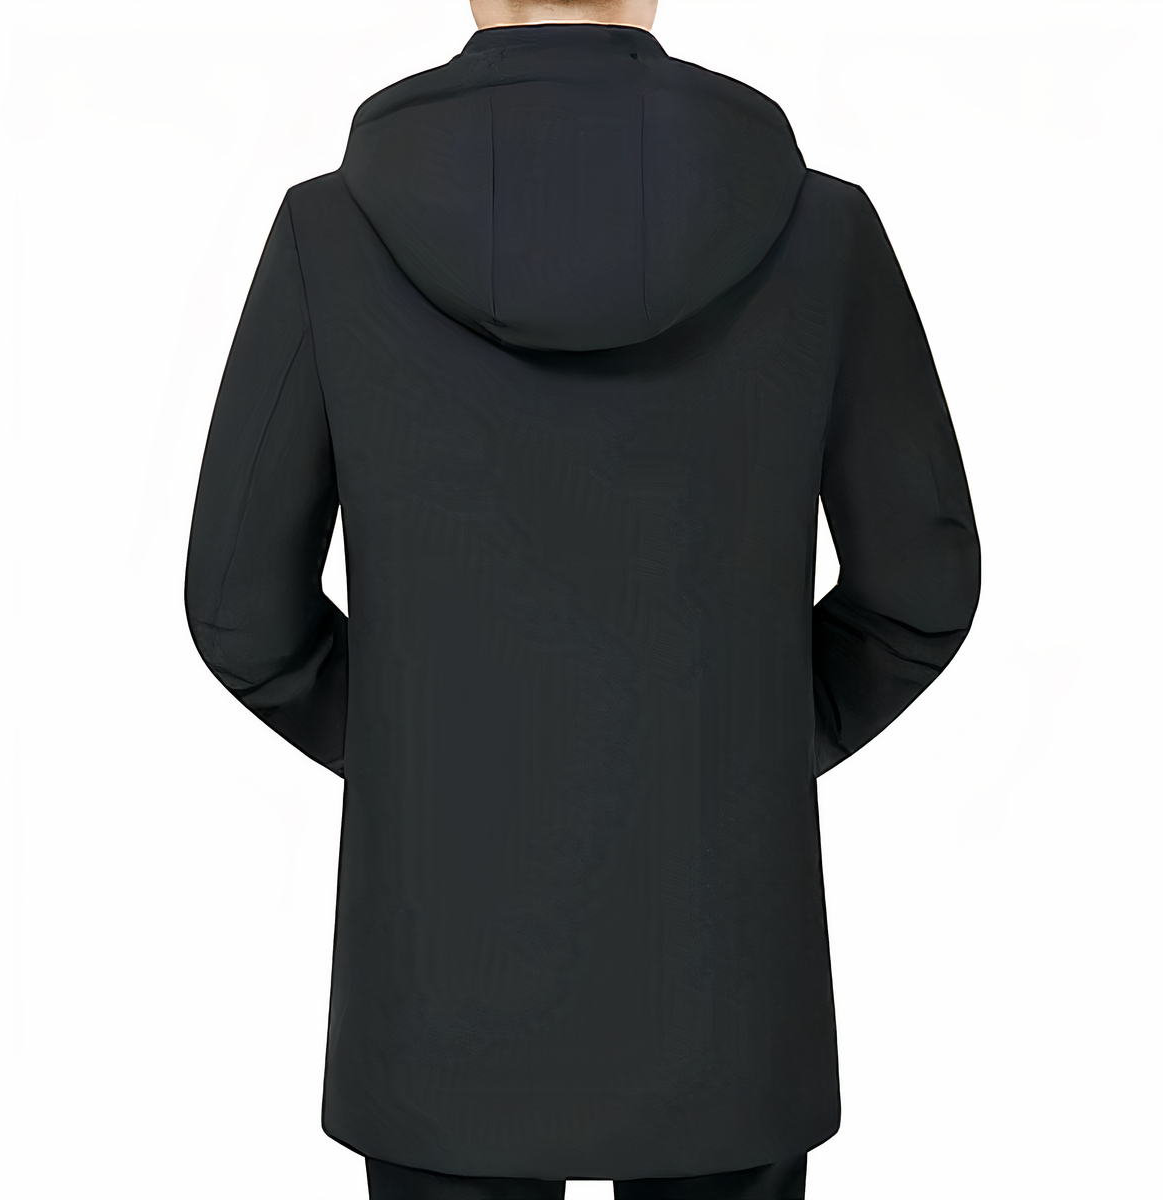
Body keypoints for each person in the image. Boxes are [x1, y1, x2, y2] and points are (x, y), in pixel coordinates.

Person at [183, 1, 981, 1196]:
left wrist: (433, 758)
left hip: (443, 995)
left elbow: (239, 605)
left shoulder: (332, 233)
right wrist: (740, 741)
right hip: (723, 981)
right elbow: (920, 586)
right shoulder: (819, 230)